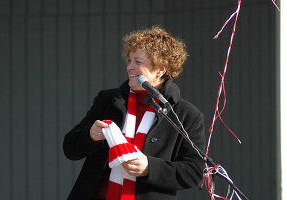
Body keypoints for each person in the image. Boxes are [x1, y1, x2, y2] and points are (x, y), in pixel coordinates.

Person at [63, 26, 205, 200]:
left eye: (138, 62)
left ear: (160, 69)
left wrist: (149, 168)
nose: (129, 67)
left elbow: (194, 171)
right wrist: (90, 136)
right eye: (129, 61)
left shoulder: (186, 114)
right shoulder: (108, 100)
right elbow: (69, 148)